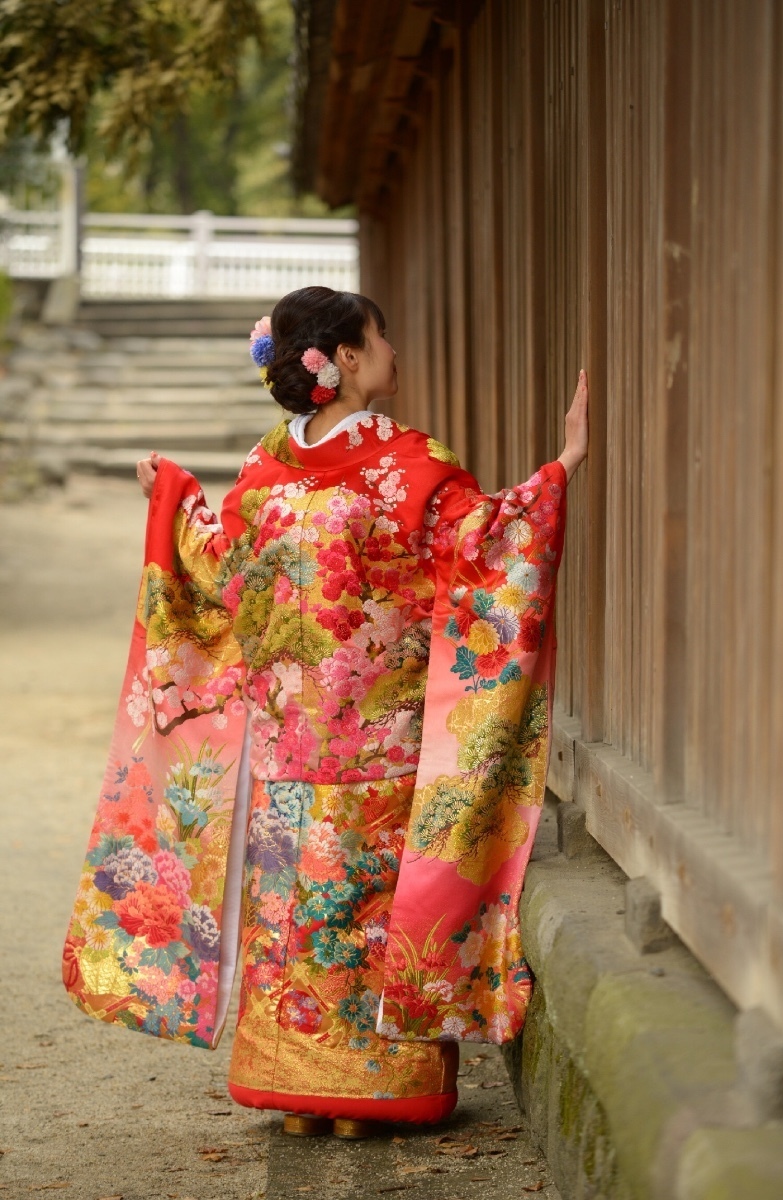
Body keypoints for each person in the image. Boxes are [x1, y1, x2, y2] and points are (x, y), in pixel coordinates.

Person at [63, 285, 589, 1140]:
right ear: (344, 358)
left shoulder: (264, 470)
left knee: (290, 919)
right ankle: (371, 1094)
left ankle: (298, 1093)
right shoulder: (410, 466)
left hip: (284, 750)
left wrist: (174, 500)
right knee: (366, 915)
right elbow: (485, 547)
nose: (391, 350)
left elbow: (222, 575)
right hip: (382, 745)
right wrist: (558, 471)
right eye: (379, 336)